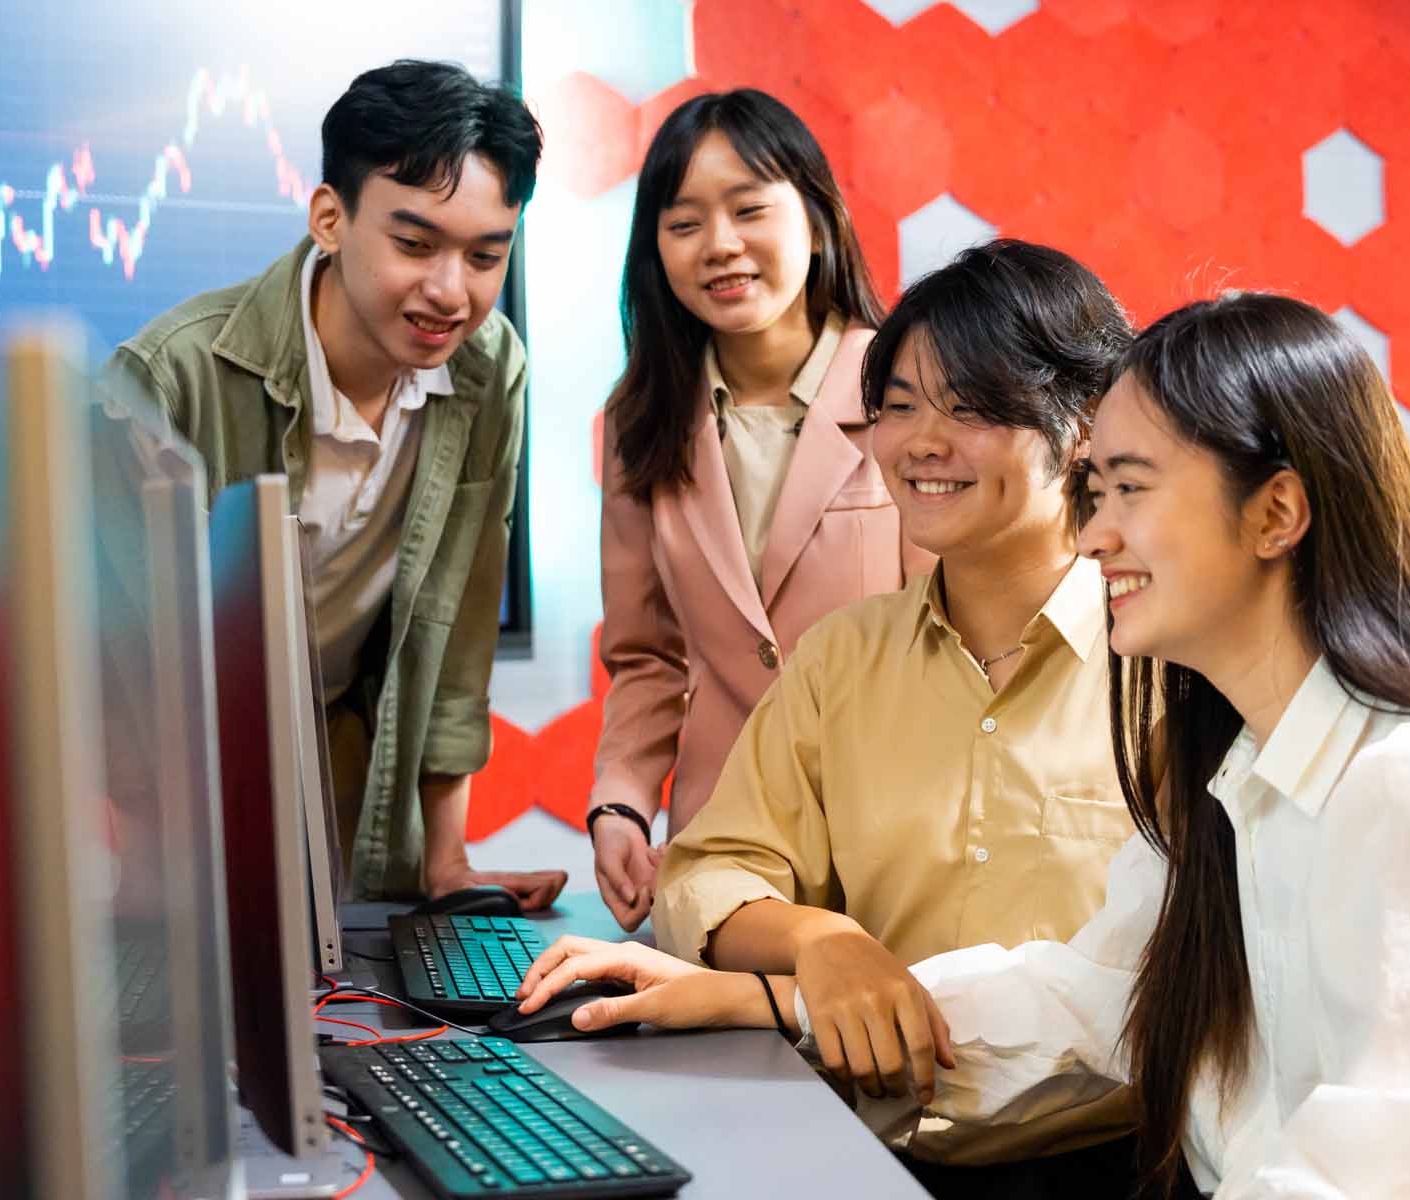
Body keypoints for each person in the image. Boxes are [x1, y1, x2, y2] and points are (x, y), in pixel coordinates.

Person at [513, 291, 1410, 1197]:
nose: (1093, 539)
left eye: (1127, 490)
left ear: (1278, 513)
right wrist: (766, 998)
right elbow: (1090, 997)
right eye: (1092, 492)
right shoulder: (1233, 775)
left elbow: (1388, 1181)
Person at [648, 241, 1144, 1189]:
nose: (921, 442)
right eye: (900, 406)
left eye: (971, 408)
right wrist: (822, 943)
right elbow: (713, 870)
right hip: (852, 1154)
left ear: (1081, 426)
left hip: (1098, 1164)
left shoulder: (1163, 670)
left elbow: (1154, 986)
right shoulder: (843, 656)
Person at [107, 60, 564, 906]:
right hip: (175, 771)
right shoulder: (170, 378)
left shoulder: (488, 369)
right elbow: (109, 665)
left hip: (343, 748)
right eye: (415, 244)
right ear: (329, 218)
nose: (448, 292)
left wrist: (448, 862)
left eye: (484, 256)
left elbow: (458, 626)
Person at [589, 89, 932, 932]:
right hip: (723, 853)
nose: (722, 246)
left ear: (816, 219)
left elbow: (956, 642)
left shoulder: (913, 395)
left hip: (897, 839)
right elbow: (648, 659)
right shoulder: (642, 423)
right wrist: (622, 805)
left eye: (749, 210)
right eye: (684, 224)